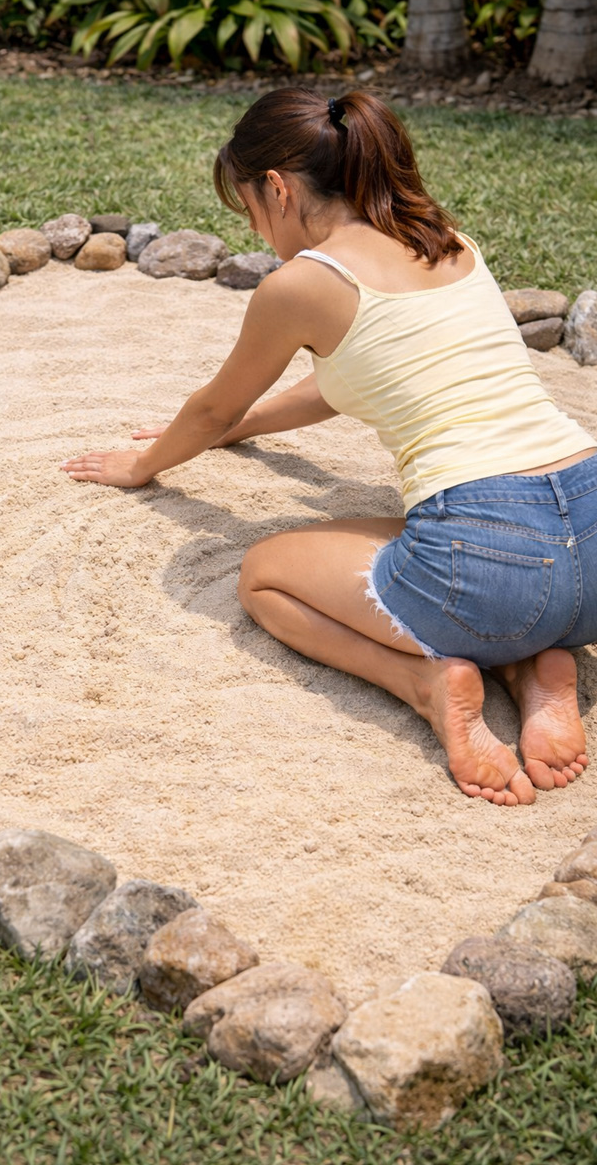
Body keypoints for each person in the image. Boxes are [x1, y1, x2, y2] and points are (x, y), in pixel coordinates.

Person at [62, 87, 595, 807]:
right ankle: (532, 669)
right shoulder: (447, 240)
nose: (256, 231)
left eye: (248, 210)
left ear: (276, 189)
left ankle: (430, 684)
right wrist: (242, 429)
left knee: (264, 577)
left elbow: (217, 400)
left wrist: (143, 464)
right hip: (589, 528)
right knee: (466, 536)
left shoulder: (301, 285)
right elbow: (348, 380)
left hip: (491, 563)